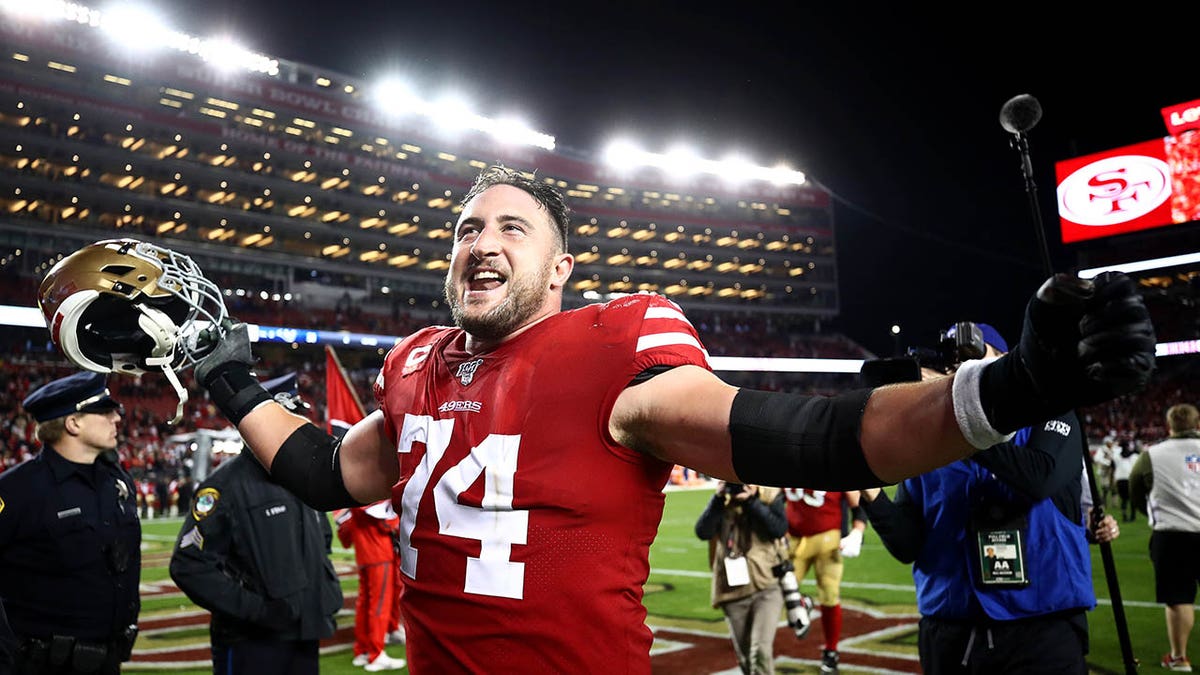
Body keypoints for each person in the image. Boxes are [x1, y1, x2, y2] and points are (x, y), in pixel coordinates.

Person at [188, 164, 1155, 672]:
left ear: (561, 271)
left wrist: (1015, 386)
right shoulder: (410, 364)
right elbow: (323, 472)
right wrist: (224, 372)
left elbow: (811, 432)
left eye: (512, 228)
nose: (482, 243)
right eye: (466, 230)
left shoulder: (616, 346)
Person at [858, 323, 1122, 674]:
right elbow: (908, 545)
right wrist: (872, 497)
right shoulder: (926, 439)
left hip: (1042, 628)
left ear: (1006, 360)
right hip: (952, 629)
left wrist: (962, 426)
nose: (961, 373)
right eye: (953, 366)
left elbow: (1039, 478)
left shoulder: (1051, 411)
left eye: (972, 358)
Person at [168, 373, 344, 675]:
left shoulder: (305, 478)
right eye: (291, 416)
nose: (301, 426)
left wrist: (323, 593)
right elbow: (189, 564)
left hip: (305, 631)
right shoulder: (224, 486)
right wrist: (257, 611)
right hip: (252, 642)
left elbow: (322, 540)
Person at [0, 371, 141, 674]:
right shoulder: (16, 490)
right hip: (39, 665)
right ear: (73, 423)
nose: (116, 417)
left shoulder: (117, 481)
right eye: (103, 411)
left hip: (108, 661)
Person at [1130, 403, 1200, 672]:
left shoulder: (1153, 454)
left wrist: (1149, 512)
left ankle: (1179, 657)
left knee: (1179, 598)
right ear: (1197, 425)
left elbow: (1137, 489)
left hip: (1172, 536)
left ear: (1169, 427)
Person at [694, 481, 792, 674]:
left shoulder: (770, 495)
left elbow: (777, 528)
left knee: (761, 652)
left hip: (767, 585)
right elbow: (703, 531)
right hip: (732, 591)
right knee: (746, 658)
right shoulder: (723, 501)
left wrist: (751, 502)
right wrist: (718, 498)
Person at [782, 487, 866, 673]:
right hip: (794, 539)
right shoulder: (787, 465)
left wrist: (857, 532)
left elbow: (858, 505)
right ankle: (803, 603)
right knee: (778, 591)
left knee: (829, 594)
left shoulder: (834, 465)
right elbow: (774, 501)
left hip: (828, 538)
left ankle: (831, 650)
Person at [334, 501, 406, 671]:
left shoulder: (353, 493)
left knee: (365, 602)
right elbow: (386, 522)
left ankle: (362, 650)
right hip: (378, 551)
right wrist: (396, 523)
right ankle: (376, 654)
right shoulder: (368, 492)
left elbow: (344, 525)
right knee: (379, 604)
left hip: (364, 552)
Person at [1114, 438, 1139, 522]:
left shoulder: (1117, 457)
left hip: (1120, 480)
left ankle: (1124, 516)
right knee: (1132, 499)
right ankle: (1132, 516)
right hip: (1129, 479)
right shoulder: (1134, 457)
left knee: (1124, 499)